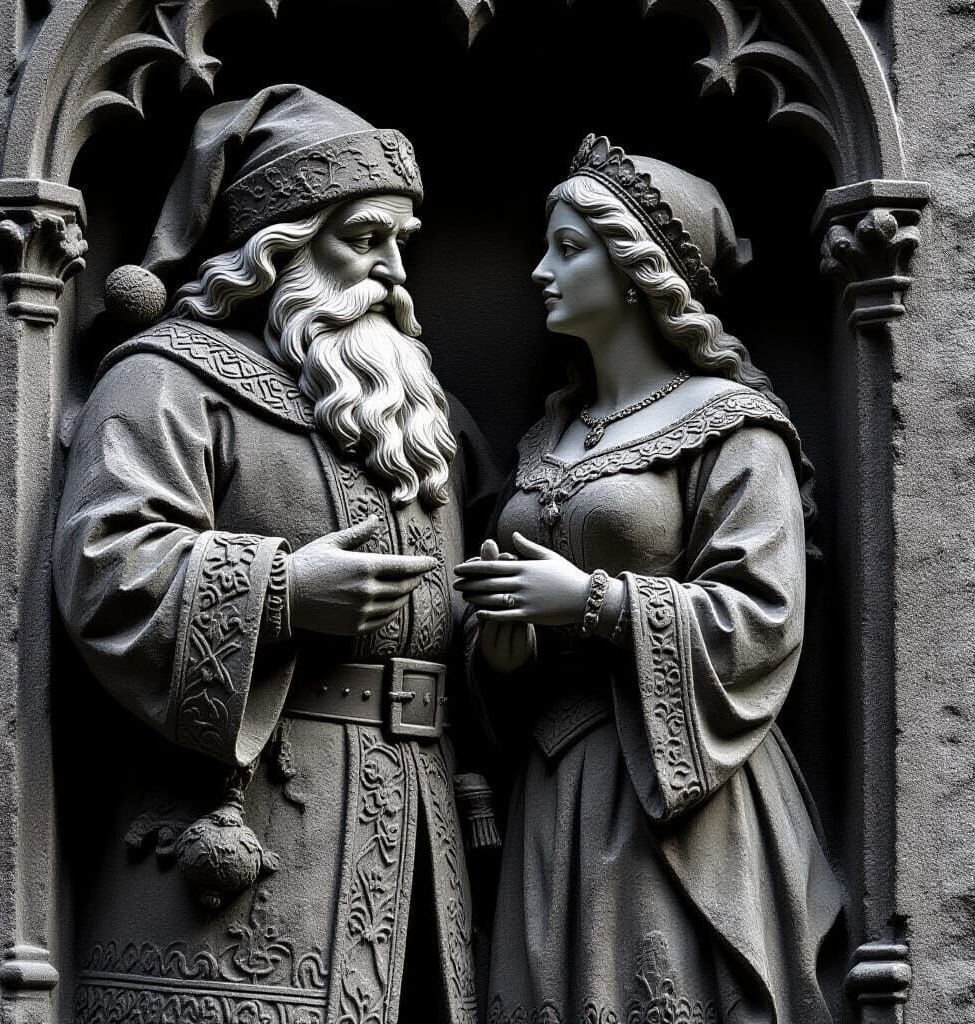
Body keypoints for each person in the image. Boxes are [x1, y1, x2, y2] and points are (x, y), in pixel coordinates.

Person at [53, 84, 497, 1024]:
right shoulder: (167, 378)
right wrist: (286, 590)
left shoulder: (424, 414)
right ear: (279, 243)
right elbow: (106, 563)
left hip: (421, 840)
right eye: (365, 239)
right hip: (248, 833)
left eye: (401, 246)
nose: (392, 273)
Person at [453, 135, 843, 1023]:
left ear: (636, 270)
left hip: (678, 787)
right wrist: (501, 652)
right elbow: (492, 634)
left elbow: (764, 615)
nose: (540, 272)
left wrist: (592, 603)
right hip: (554, 788)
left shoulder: (734, 429)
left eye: (568, 248)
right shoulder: (548, 436)